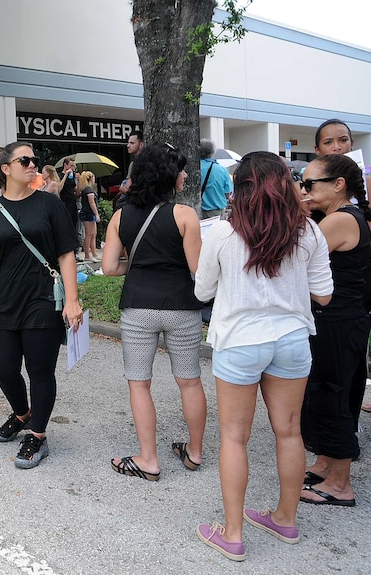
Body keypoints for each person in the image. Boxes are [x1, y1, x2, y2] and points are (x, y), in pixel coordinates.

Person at [194, 152, 333, 562]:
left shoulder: (223, 232)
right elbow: (324, 293)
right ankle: (285, 519)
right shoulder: (308, 231)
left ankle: (233, 534)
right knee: (289, 432)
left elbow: (203, 291)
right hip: (291, 339)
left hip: (239, 339)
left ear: (240, 188)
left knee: (234, 436)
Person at [0, 142, 83, 469]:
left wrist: (72, 300)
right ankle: (22, 413)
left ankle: (38, 435)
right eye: (25, 160)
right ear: (5, 168)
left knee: (39, 371)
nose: (33, 164)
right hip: (2, 303)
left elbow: (65, 254)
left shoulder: (49, 204)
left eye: (34, 160)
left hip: (43, 302)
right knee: (2, 367)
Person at [101, 143, 206, 482]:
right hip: (181, 305)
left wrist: (140, 262)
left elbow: (109, 267)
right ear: (168, 175)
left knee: (139, 383)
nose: (185, 174)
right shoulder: (185, 215)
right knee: (189, 382)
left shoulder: (120, 216)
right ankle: (194, 452)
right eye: (180, 169)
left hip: (138, 306)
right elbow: (197, 268)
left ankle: (148, 459)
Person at [300, 153, 371, 508]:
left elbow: (296, 258)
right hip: (337, 321)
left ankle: (341, 483)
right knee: (323, 393)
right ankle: (326, 464)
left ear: (338, 184)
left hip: (339, 323)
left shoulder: (339, 220)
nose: (305, 190)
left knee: (334, 397)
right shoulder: (336, 216)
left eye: (310, 184)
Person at [309, 120, 371, 429]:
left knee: (344, 370)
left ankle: (341, 436)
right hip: (331, 297)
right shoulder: (316, 193)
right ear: (318, 150)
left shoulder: (352, 204)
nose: (338, 146)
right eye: (330, 142)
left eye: (343, 140)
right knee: (330, 373)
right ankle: (332, 441)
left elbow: (301, 256)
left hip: (349, 293)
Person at [199, 139, 233, 219]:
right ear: (212, 152)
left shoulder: (193, 168)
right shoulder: (222, 170)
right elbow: (227, 194)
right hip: (217, 213)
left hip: (198, 211)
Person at [116, 130, 146, 209]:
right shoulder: (150, 162)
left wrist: (121, 188)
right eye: (128, 143)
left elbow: (127, 189)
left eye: (132, 143)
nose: (128, 145)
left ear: (141, 145)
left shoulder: (134, 164)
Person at [78, 171, 100, 262]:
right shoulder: (88, 190)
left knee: (93, 234)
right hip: (88, 213)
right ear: (91, 178)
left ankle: (94, 253)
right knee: (89, 235)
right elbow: (91, 202)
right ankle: (87, 255)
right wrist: (96, 214)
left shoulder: (86, 189)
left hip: (89, 213)